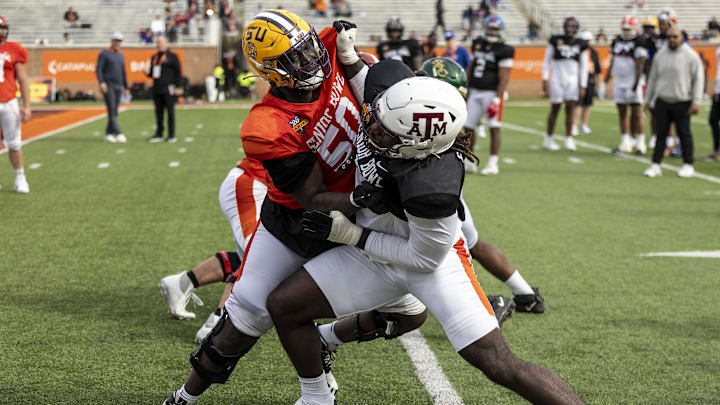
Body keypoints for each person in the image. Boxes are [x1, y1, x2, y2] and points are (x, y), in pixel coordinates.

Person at [265, 46, 583, 404]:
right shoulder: (393, 96)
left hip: (429, 261)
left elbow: (423, 259)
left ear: (416, 145)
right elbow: (369, 88)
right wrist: (352, 58)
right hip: (374, 249)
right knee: (285, 305)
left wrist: (353, 235)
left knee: (496, 362)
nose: (370, 126)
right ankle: (316, 397)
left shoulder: (431, 186)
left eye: (385, 133)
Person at [161, 12, 425, 405]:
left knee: (410, 312)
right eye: (296, 59)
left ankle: (324, 341)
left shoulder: (331, 48)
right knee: (246, 316)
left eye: (309, 49)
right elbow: (312, 198)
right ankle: (185, 396)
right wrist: (362, 195)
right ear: (273, 70)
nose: (311, 60)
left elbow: (375, 89)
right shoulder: (268, 124)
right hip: (296, 225)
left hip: (360, 217)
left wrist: (356, 62)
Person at [420, 55, 543, 314]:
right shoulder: (450, 113)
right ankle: (526, 294)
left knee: (436, 255)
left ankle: (483, 306)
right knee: (470, 243)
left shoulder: (434, 115)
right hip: (446, 190)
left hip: (434, 191)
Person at [158, 156, 269, 343]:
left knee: (272, 255)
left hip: (267, 187)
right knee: (261, 255)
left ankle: (182, 283)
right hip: (253, 184)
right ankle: (219, 323)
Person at [643, 27, 704, 178]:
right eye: (669, 37)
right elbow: (653, 78)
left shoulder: (691, 56)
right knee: (660, 134)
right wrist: (648, 99)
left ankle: (688, 164)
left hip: (682, 100)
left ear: (681, 38)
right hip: (662, 99)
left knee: (684, 133)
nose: (671, 39)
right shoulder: (660, 55)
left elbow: (698, 79)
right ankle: (656, 164)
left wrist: (696, 101)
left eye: (675, 37)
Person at [465, 14, 514, 175]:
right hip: (475, 91)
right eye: (491, 29)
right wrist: (466, 88)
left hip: (491, 92)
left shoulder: (505, 49)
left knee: (494, 127)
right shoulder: (478, 43)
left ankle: (493, 163)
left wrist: (497, 98)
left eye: (495, 29)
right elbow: (471, 67)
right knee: (469, 127)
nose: (493, 32)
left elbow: (504, 76)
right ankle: (470, 160)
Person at [541, 17, 589, 151]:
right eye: (568, 26)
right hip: (557, 78)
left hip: (573, 80)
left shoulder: (582, 43)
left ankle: (569, 139)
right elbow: (547, 60)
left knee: (570, 109)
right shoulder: (556, 40)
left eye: (573, 27)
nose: (570, 29)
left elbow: (584, 66)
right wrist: (545, 79)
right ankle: (548, 138)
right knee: (555, 108)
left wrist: (583, 85)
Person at [604, 16, 648, 154]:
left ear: (635, 28)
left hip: (632, 82)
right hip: (619, 81)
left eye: (628, 29)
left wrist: (635, 86)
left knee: (637, 113)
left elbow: (640, 64)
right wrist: (606, 81)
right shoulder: (616, 41)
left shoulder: (639, 41)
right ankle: (625, 141)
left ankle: (641, 143)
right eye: (624, 29)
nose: (626, 32)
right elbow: (612, 61)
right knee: (622, 112)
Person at [0, 15, 31, 194]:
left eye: (3, 28)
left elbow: (23, 78)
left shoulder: (14, 49)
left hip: (8, 101)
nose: (1, 31)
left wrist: (27, 105)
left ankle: (20, 176)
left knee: (14, 142)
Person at [145, 36, 182, 143]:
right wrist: (147, 73)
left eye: (161, 42)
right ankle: (159, 134)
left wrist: (178, 86)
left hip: (169, 89)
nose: (159, 44)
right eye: (157, 42)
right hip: (157, 89)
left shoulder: (172, 56)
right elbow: (153, 74)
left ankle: (171, 135)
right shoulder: (154, 57)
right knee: (158, 113)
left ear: (166, 43)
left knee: (170, 113)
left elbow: (178, 72)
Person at [95, 31, 129, 144]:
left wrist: (126, 86)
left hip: (118, 86)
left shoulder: (120, 55)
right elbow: (98, 69)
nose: (119, 43)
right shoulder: (104, 53)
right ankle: (119, 133)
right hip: (109, 85)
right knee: (112, 110)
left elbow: (123, 72)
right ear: (112, 41)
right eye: (117, 41)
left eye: (120, 41)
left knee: (115, 111)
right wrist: (101, 82)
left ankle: (108, 134)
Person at [573, 31, 599, 135]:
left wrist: (599, 82)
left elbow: (597, 68)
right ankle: (574, 125)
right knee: (578, 104)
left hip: (590, 79)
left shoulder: (593, 52)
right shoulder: (578, 51)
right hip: (579, 79)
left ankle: (584, 125)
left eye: (588, 41)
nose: (587, 43)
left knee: (587, 104)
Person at [707, 45, 720, 161]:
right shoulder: (717, 48)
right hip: (718, 90)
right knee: (713, 120)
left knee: (714, 119)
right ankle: (716, 150)